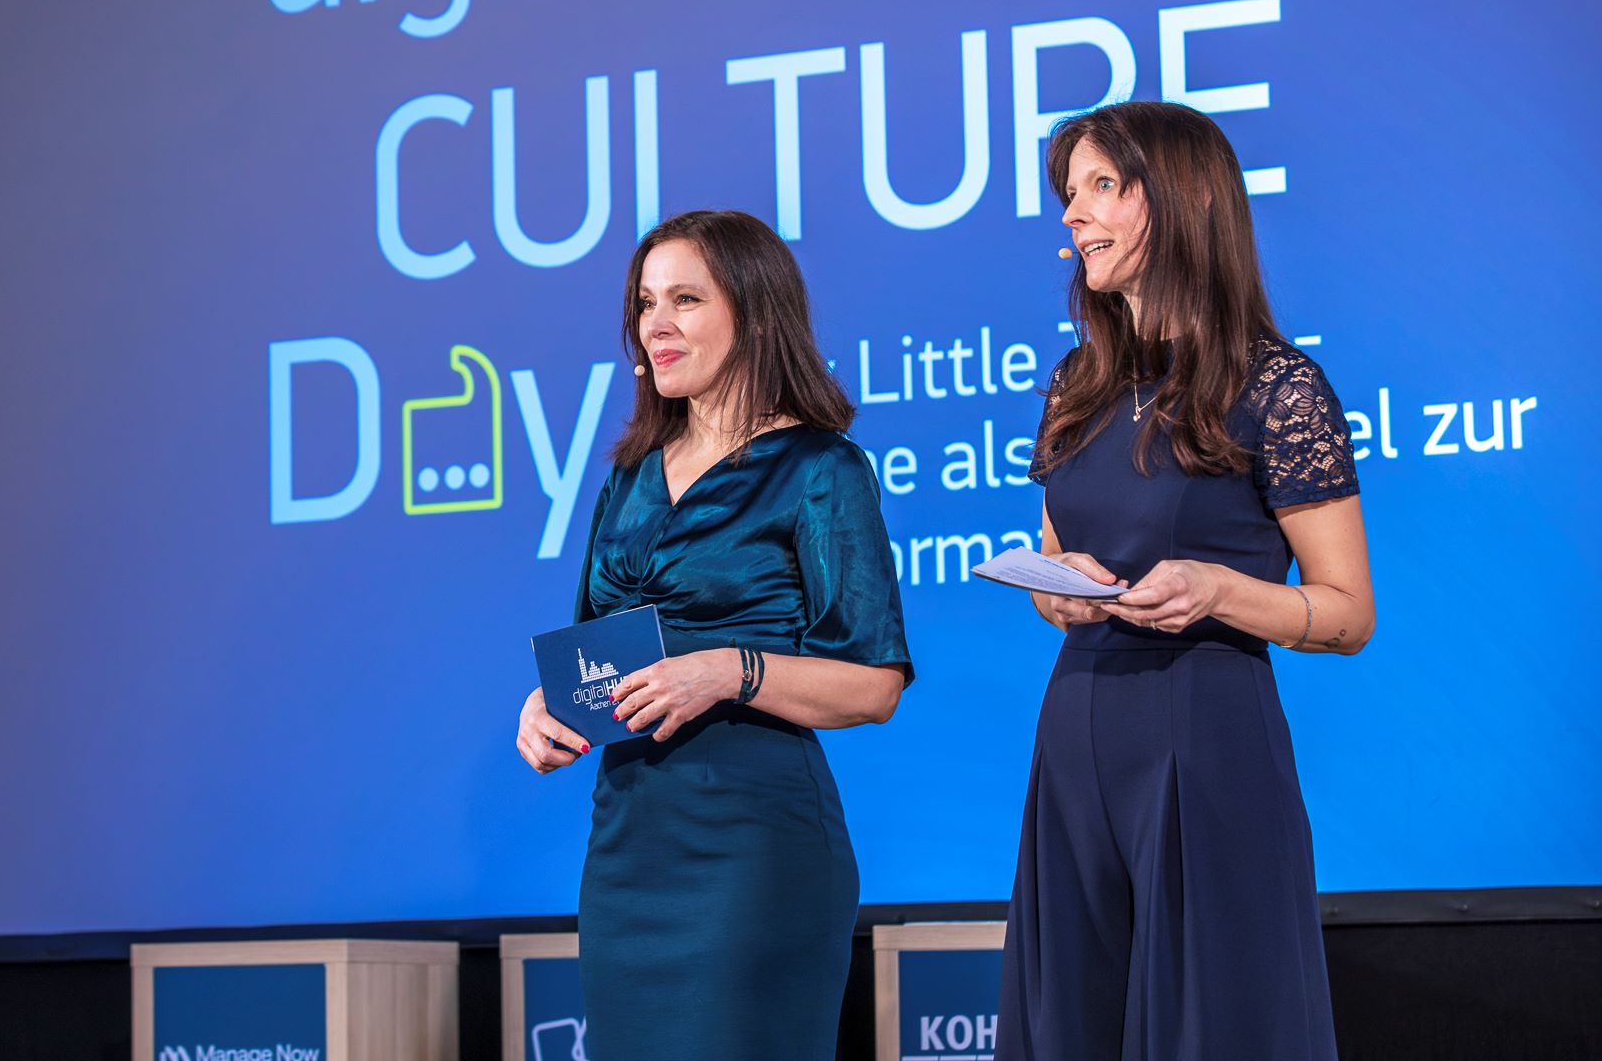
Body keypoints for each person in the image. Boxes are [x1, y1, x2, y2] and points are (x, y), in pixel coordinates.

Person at [996, 101, 1375, 1060]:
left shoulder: (1277, 387)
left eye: (1102, 186)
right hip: (1077, 734)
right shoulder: (1075, 384)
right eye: (1069, 192)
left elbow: (1347, 613)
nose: (1073, 214)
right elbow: (1056, 561)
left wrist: (1220, 590)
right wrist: (1056, 587)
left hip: (1207, 741)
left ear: (1180, 198)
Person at [513, 209, 912, 1061]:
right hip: (626, 847)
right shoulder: (628, 477)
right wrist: (546, 709)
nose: (655, 324)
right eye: (645, 303)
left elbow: (875, 685)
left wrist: (729, 671)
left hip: (752, 848)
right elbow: (592, 653)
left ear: (756, 313)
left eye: (685, 299)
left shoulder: (820, 469)